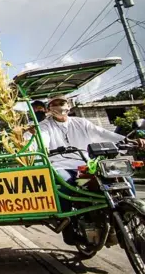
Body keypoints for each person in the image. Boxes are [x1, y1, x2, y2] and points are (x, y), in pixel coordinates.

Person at [38, 95, 144, 244]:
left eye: (61, 103)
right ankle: (67, 223)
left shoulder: (81, 122)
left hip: (87, 162)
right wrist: (43, 146)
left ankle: (130, 210)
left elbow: (101, 133)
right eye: (54, 105)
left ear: (68, 106)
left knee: (123, 176)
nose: (59, 107)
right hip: (61, 164)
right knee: (63, 184)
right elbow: (43, 138)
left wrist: (126, 141)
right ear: (49, 109)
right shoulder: (45, 125)